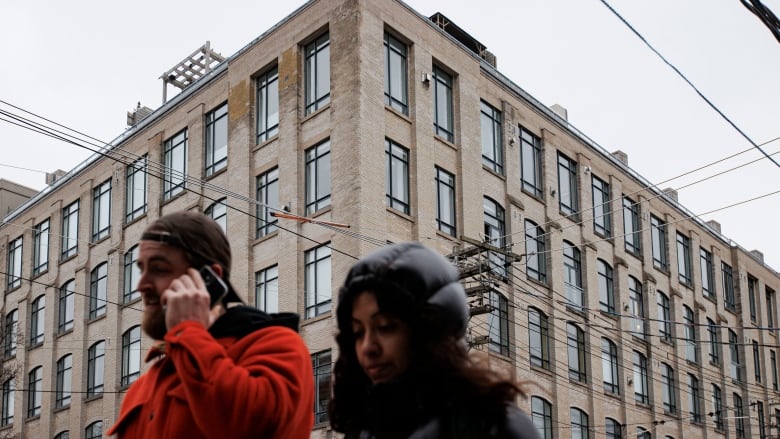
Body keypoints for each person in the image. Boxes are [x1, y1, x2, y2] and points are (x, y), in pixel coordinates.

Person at [108, 211, 314, 438]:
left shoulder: (278, 345)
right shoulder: (143, 387)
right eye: (141, 269)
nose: (141, 285)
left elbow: (249, 426)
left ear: (208, 278)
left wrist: (188, 331)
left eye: (159, 269)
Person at [329, 242, 541, 438]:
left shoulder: (493, 426)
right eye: (357, 332)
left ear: (428, 331)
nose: (367, 347)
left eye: (386, 327)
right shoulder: (364, 427)